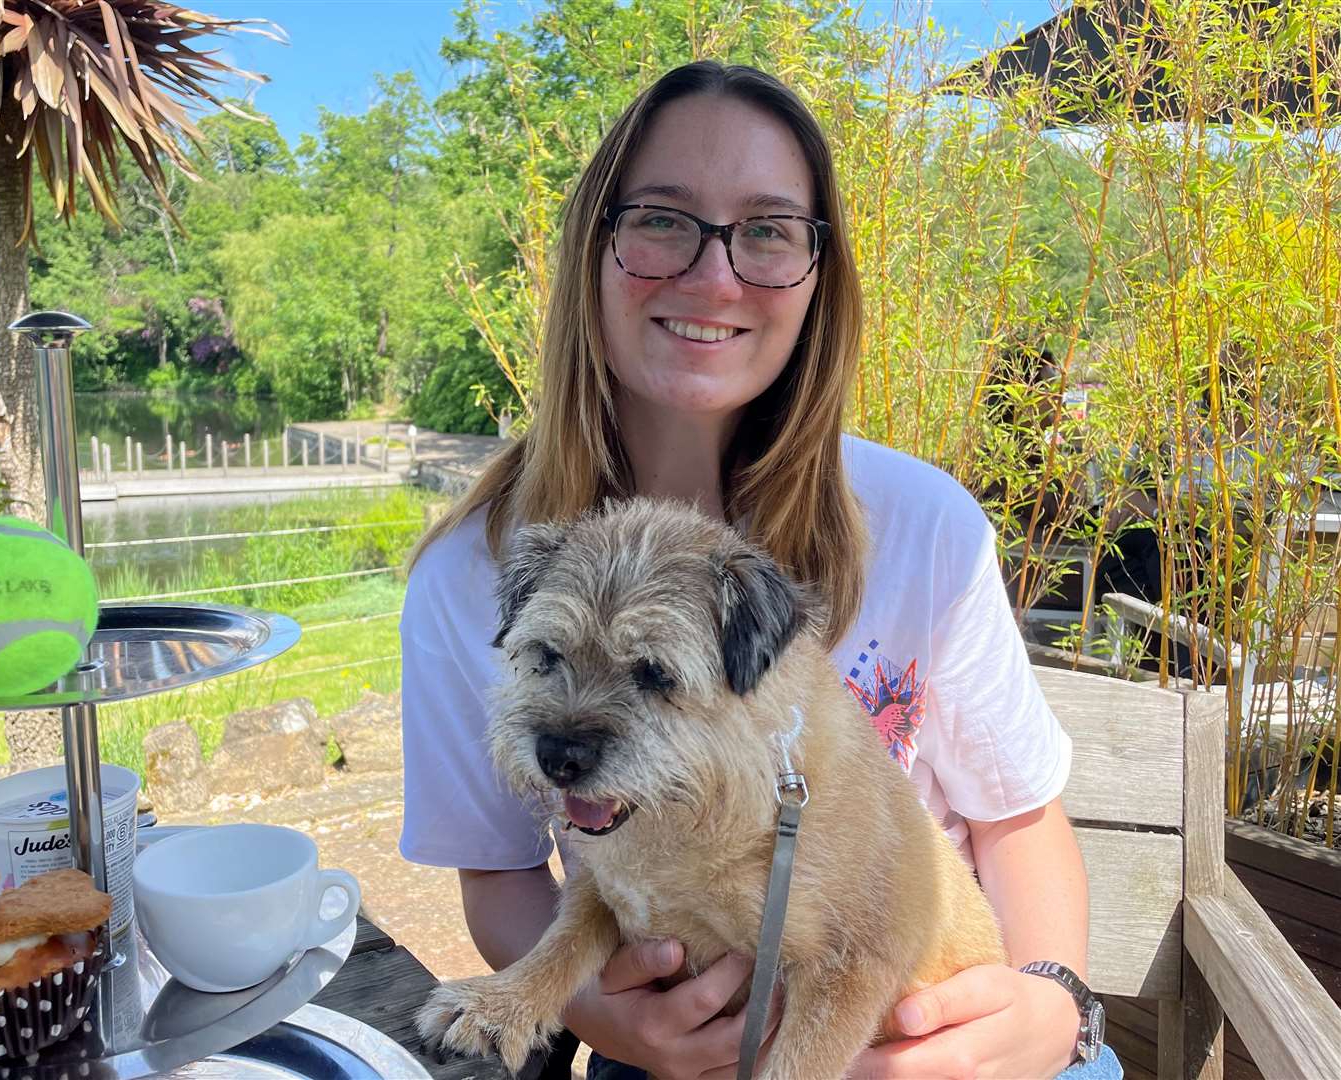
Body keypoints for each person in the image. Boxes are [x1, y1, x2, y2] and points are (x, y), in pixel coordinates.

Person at [399, 61, 1119, 1080]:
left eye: (768, 230)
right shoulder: (471, 572)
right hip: (672, 1033)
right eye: (661, 218)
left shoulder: (925, 528)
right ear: (592, 245)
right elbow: (500, 872)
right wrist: (609, 1021)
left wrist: (1055, 1006)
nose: (713, 275)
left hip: (951, 1036)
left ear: (819, 275)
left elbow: (1017, 820)